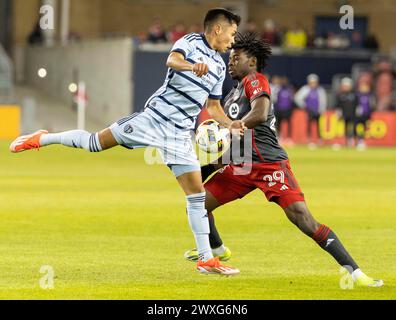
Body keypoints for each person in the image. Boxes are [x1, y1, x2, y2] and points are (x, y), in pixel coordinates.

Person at [10, 8, 243, 276]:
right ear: (217, 29)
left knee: (196, 195)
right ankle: (43, 138)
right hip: (153, 120)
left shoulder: (218, 67)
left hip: (180, 134)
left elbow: (213, 107)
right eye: (232, 33)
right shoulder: (190, 43)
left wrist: (231, 124)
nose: (232, 39)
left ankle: (206, 260)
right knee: (94, 143)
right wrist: (193, 66)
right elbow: (172, 61)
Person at [184, 33, 383, 287]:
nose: (230, 62)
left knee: (304, 220)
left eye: (236, 58)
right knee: (198, 203)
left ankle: (356, 274)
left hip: (269, 163)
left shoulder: (255, 80)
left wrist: (233, 127)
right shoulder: (232, 95)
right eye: (229, 58)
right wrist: (210, 166)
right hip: (242, 164)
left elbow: (260, 113)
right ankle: (219, 250)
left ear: (252, 61)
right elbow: (236, 142)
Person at [294, 73, 327, 148]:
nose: (313, 84)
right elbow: (297, 98)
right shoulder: (305, 89)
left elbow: (323, 100)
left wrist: (322, 109)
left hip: (317, 110)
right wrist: (304, 106)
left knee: (319, 125)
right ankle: (309, 139)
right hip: (309, 111)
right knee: (309, 125)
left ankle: (319, 139)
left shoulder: (320, 90)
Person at [335, 77, 358, 147]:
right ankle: (347, 141)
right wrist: (338, 112)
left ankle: (355, 140)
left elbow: (357, 103)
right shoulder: (340, 95)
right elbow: (338, 105)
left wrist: (358, 110)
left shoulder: (354, 95)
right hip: (345, 114)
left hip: (353, 114)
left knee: (354, 127)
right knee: (345, 128)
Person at [274, 76, 294, 144]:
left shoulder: (289, 89)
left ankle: (289, 138)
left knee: (289, 124)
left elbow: (291, 100)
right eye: (283, 81)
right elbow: (275, 99)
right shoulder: (278, 89)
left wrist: (291, 108)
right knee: (278, 124)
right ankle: (279, 138)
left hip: (287, 110)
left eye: (285, 81)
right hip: (279, 110)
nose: (284, 82)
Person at [355, 82, 374, 150]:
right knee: (357, 128)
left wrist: (370, 113)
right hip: (358, 116)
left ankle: (362, 140)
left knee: (365, 128)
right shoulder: (357, 96)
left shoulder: (369, 96)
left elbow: (371, 105)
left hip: (366, 115)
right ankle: (357, 140)